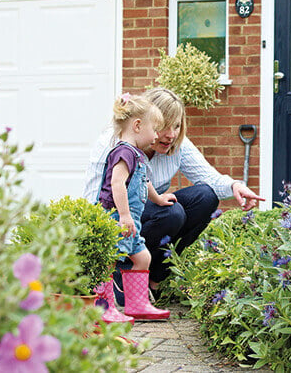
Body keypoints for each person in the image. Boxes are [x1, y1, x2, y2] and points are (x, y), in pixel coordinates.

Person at [83, 88, 264, 304]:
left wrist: (235, 186)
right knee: (172, 213)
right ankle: (120, 272)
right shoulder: (114, 146)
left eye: (177, 126)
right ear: (143, 124)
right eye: (163, 126)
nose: (171, 134)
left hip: (146, 216)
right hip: (119, 219)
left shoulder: (177, 145)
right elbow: (96, 198)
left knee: (205, 197)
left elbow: (208, 177)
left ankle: (155, 277)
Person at [97, 93, 173, 321]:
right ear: (138, 126)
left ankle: (137, 304)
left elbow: (143, 182)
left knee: (142, 258)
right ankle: (103, 307)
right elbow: (116, 183)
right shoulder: (124, 152)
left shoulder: (137, 156)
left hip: (131, 224)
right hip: (116, 221)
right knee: (109, 261)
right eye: (155, 129)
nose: (157, 135)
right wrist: (124, 215)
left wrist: (158, 199)